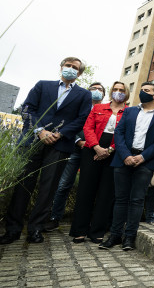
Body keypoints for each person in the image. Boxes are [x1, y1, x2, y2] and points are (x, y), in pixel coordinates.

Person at [0, 57, 92, 244]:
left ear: (79, 74)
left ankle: (35, 228)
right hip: (32, 141)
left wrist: (60, 134)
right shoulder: (43, 85)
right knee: (23, 184)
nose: (70, 69)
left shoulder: (83, 95)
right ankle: (13, 229)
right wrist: (40, 130)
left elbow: (81, 119)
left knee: (48, 188)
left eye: (75, 68)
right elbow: (28, 109)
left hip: (60, 145)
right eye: (68, 66)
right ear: (61, 67)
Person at [98, 82, 154, 251]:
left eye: (146, 91)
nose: (142, 93)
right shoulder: (130, 111)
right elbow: (119, 132)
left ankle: (129, 237)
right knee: (120, 199)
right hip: (124, 158)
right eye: (141, 90)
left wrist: (142, 156)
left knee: (137, 200)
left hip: (146, 161)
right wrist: (125, 155)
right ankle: (115, 235)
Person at [68, 82, 129, 243]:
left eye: (121, 90)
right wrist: (96, 147)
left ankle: (97, 231)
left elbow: (128, 135)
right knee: (85, 190)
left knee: (106, 193)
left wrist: (109, 150)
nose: (118, 92)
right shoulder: (98, 108)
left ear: (126, 93)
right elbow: (88, 128)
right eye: (115, 89)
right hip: (91, 150)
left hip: (114, 153)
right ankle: (79, 230)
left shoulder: (130, 112)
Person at [45, 82, 106, 232]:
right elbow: (71, 125)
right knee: (64, 184)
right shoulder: (80, 106)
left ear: (104, 94)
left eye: (100, 90)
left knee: (91, 186)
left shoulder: (105, 110)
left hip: (96, 151)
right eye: (93, 89)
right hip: (75, 149)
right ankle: (54, 217)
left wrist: (95, 146)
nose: (96, 91)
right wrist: (79, 141)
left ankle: (87, 220)